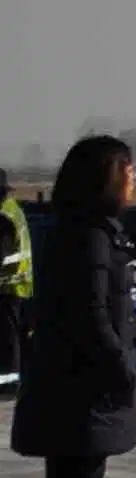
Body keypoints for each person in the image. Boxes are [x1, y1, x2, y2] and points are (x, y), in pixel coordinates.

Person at [9, 136, 136, 478]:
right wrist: (117, 366)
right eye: (128, 169)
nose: (134, 179)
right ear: (107, 175)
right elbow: (89, 314)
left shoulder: (96, 233)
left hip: (85, 382)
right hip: (80, 385)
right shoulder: (86, 236)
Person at [0, 166, 31, 394]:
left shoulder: (2, 218)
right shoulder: (12, 210)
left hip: (7, 288)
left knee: (7, 340)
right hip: (16, 287)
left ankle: (7, 384)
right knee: (12, 338)